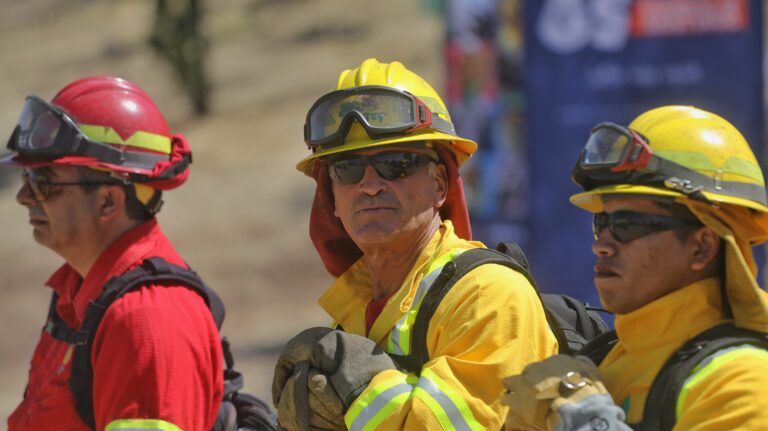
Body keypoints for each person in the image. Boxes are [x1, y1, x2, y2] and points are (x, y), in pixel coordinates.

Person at [271, 58, 558, 431]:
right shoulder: (353, 312)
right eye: (348, 168)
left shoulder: (489, 297)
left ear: (440, 184)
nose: (370, 185)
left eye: (396, 164)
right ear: (332, 197)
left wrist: (362, 389)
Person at [502, 105, 768, 430]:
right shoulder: (605, 363)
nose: (602, 244)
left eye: (627, 224)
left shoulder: (744, 382)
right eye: (602, 222)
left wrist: (587, 424)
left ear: (703, 246)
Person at [4, 76, 223, 430]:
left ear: (108, 200)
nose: (24, 196)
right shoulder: (76, 295)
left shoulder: (147, 322)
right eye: (27, 178)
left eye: (44, 182)